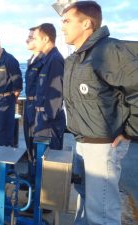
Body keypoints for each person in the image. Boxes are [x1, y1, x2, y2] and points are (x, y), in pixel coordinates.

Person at [60, 1, 138, 224]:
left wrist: (131, 130)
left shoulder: (108, 51)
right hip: (83, 141)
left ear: (86, 23)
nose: (62, 27)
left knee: (102, 213)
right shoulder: (77, 58)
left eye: (67, 21)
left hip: (103, 145)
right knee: (85, 201)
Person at [31, 23, 66, 150]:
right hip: (43, 117)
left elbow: (56, 93)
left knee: (49, 161)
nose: (33, 42)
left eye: (35, 39)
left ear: (45, 39)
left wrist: (46, 119)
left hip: (49, 121)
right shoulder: (47, 59)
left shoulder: (55, 59)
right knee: (42, 159)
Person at [24, 29, 44, 160]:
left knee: (38, 140)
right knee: (28, 138)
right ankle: (31, 171)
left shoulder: (45, 60)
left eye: (30, 37)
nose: (27, 40)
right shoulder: (30, 60)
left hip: (38, 106)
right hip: (29, 104)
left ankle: (39, 175)